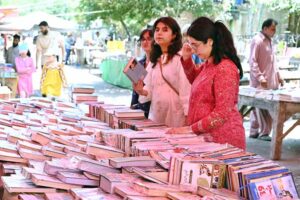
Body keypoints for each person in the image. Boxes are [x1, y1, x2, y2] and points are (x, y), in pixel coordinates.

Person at [166, 17, 246, 150]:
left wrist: (190, 129)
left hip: (223, 140)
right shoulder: (209, 64)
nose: (193, 49)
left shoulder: (225, 68)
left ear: (210, 42)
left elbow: (221, 114)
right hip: (206, 137)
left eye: (195, 45)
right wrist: (187, 59)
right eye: (190, 44)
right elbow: (197, 81)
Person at [133, 17, 191, 127]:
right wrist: (141, 91)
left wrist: (188, 120)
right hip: (156, 117)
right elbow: (149, 89)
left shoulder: (180, 58)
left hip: (176, 118)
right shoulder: (154, 60)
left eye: (165, 30)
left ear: (174, 35)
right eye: (157, 30)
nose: (159, 33)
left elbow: (186, 92)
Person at [249, 18, 284, 141]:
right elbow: (252, 62)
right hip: (260, 82)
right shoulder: (257, 41)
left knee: (261, 107)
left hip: (270, 81)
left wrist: (279, 76)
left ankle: (257, 132)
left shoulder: (270, 42)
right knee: (259, 107)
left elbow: (274, 62)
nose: (274, 32)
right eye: (272, 29)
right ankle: (262, 132)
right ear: (265, 28)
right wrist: (260, 77)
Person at [130, 29, 153, 118]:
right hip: (139, 109)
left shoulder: (159, 63)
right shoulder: (138, 64)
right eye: (143, 39)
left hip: (154, 110)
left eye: (149, 39)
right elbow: (135, 91)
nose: (145, 42)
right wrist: (132, 107)